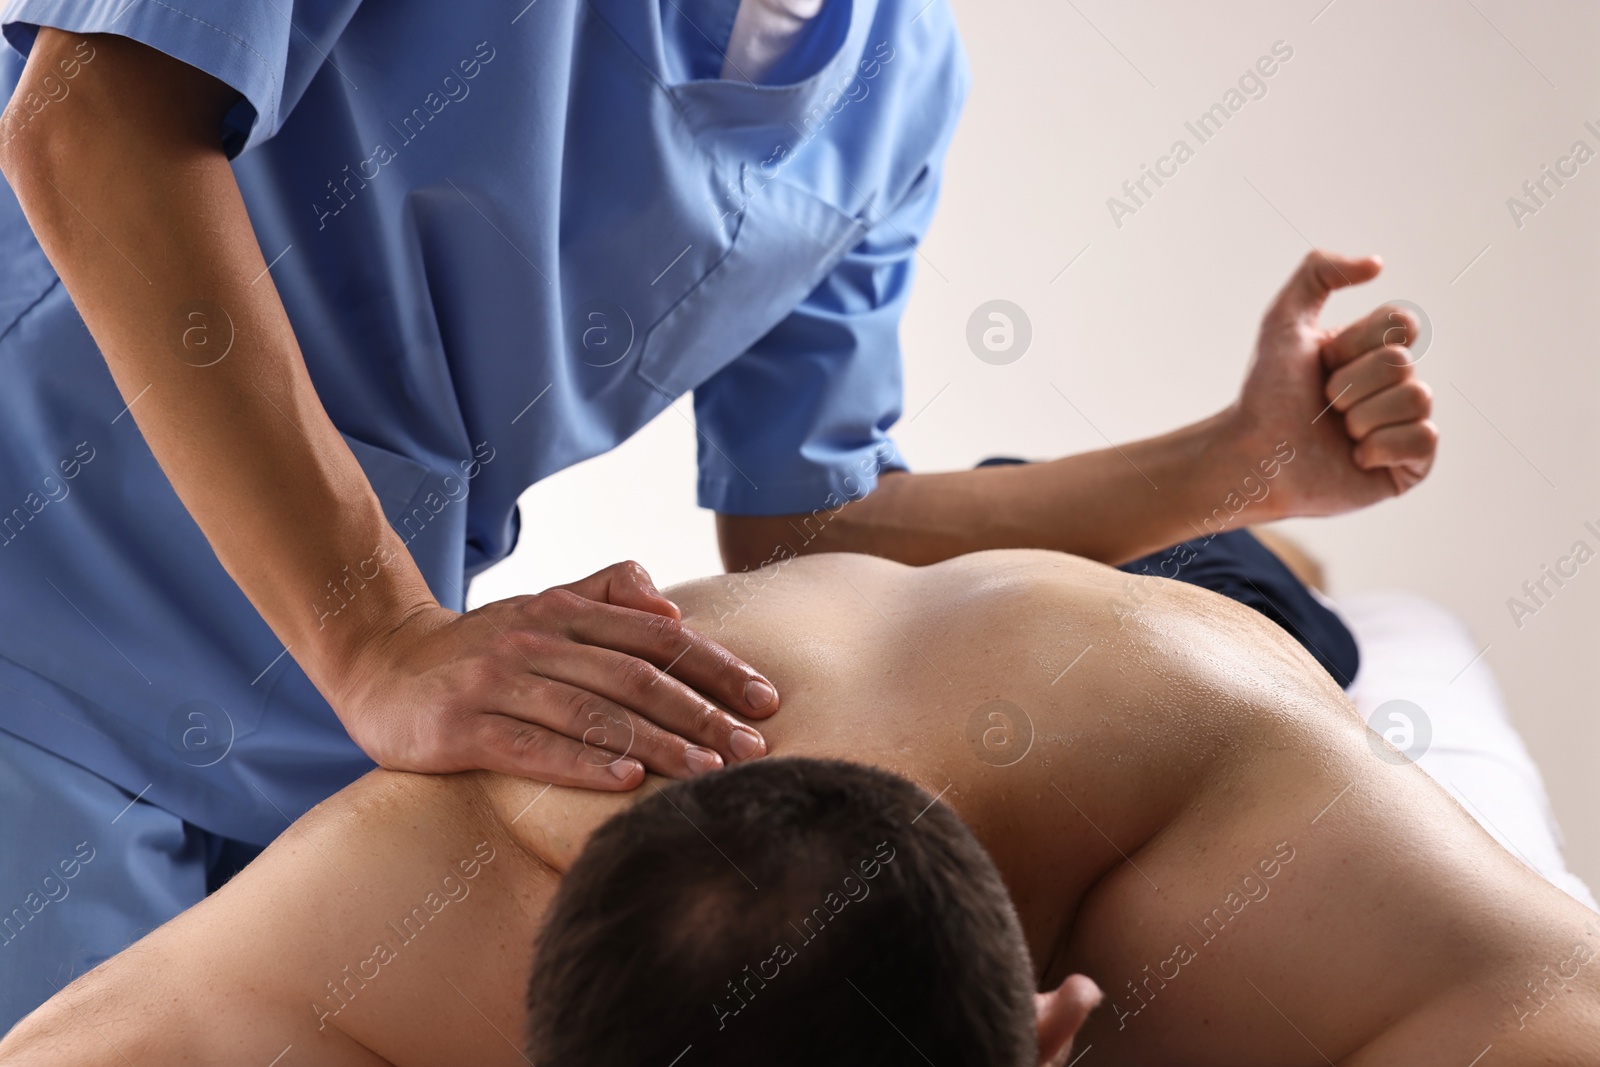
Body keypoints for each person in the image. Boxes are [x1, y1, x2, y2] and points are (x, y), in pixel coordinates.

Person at [0, 0, 1436, 1030]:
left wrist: (1235, 463)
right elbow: (83, 127)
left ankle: (1249, 560)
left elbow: (805, 528)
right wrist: (376, 632)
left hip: (319, 728)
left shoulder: (897, 78)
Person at [5, 545, 1594, 1066]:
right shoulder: (340, 978)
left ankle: (1239, 535)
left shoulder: (1213, 824)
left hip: (1126, 640)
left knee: (1273, 585)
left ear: (1055, 1033)